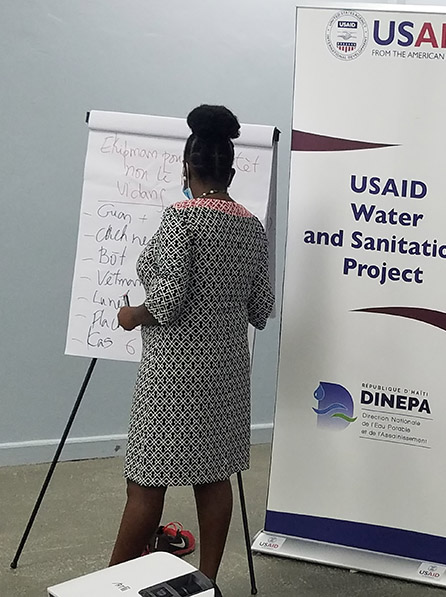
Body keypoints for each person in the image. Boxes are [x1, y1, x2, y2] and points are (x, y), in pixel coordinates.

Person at [109, 105, 275, 589]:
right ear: (231, 169)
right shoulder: (250, 227)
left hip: (174, 374)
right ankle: (207, 581)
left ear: (188, 167)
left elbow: (165, 301)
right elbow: (259, 308)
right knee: (214, 475)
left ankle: (111, 583)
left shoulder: (181, 220)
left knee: (145, 482)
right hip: (225, 371)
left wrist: (129, 315)